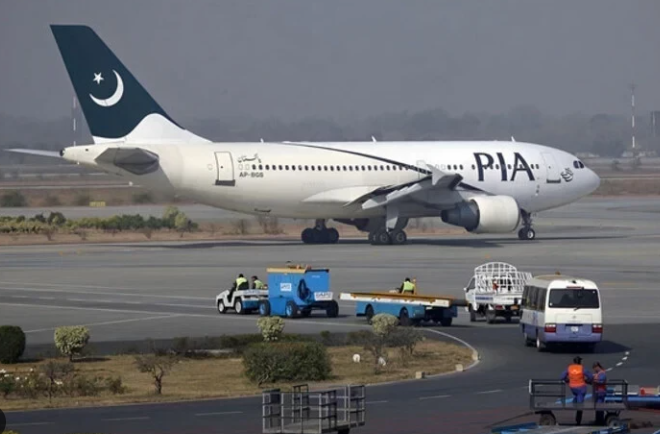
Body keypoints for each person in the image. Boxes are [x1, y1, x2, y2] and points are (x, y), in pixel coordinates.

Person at [561, 356, 593, 425]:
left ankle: (575, 402)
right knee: (580, 404)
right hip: (581, 388)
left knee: (577, 397)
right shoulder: (582, 368)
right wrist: (587, 380)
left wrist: (568, 380)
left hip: (573, 387)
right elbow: (590, 376)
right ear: (580, 362)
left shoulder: (570, 368)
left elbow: (562, 376)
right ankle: (578, 420)